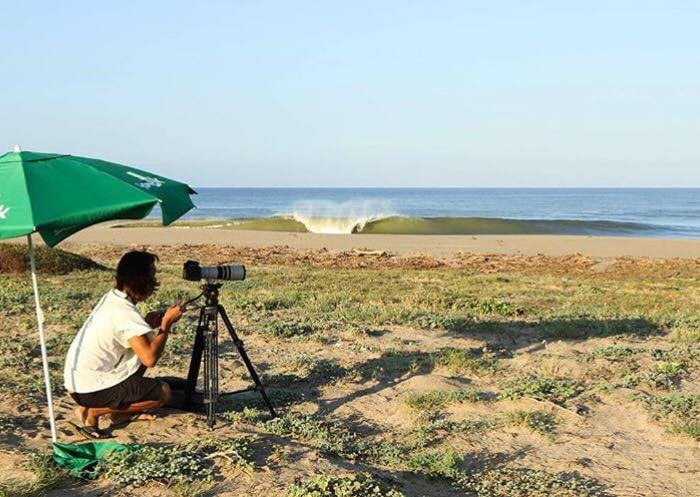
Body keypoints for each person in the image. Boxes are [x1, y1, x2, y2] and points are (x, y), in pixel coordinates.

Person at [63, 250, 183, 439]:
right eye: (152, 275)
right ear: (140, 279)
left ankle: (119, 413)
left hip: (79, 382)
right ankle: (92, 412)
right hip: (89, 390)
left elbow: (123, 335)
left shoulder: (113, 299)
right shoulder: (123, 312)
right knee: (163, 393)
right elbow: (150, 358)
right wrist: (166, 325)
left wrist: (146, 324)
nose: (155, 282)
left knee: (145, 346)